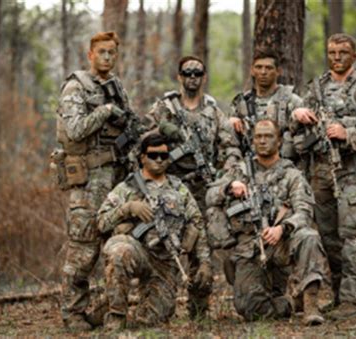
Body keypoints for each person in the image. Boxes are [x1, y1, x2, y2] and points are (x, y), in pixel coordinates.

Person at [291, 33, 356, 319]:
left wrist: (348, 134)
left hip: (353, 174)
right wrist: (297, 112)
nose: (336, 57)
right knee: (329, 238)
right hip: (321, 173)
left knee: (353, 237)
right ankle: (339, 298)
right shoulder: (319, 86)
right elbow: (297, 124)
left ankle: (352, 302)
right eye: (332, 52)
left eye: (343, 52)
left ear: (354, 56)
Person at [206, 119, 329, 326]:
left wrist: (283, 228)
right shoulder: (240, 171)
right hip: (250, 248)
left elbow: (305, 212)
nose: (263, 141)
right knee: (249, 309)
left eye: (268, 136)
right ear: (252, 141)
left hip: (281, 245)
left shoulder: (292, 175)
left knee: (309, 236)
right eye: (258, 137)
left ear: (279, 141)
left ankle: (310, 305)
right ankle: (289, 303)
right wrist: (228, 186)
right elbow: (210, 196)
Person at [142, 55, 237, 319]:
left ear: (204, 77)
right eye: (187, 73)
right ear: (179, 76)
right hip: (168, 187)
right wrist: (165, 133)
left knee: (200, 246)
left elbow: (231, 147)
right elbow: (144, 138)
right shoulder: (165, 107)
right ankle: (161, 304)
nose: (192, 78)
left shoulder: (213, 111)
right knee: (164, 244)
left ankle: (198, 309)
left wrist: (224, 177)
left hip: (202, 187)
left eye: (197, 73)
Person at [54, 31, 134, 330]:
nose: (107, 57)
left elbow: (127, 125)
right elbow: (74, 130)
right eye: (101, 52)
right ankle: (73, 314)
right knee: (83, 250)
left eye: (112, 52)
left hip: (116, 179)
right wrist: (104, 112)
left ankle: (107, 311)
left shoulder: (116, 86)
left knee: (116, 245)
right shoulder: (77, 87)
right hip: (88, 183)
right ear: (90, 54)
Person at [97, 133, 212, 330]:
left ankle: (106, 307)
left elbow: (197, 223)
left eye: (163, 156)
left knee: (152, 321)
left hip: (165, 261)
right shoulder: (127, 187)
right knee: (119, 252)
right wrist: (128, 208)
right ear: (142, 157)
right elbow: (101, 222)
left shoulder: (179, 188)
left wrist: (204, 262)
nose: (159, 160)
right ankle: (115, 315)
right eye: (153, 155)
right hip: (137, 250)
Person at [227, 49, 304, 162]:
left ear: (278, 71)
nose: (263, 72)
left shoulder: (292, 101)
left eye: (269, 68)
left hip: (285, 170)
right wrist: (229, 123)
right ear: (252, 71)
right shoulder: (241, 103)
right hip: (250, 168)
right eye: (259, 67)